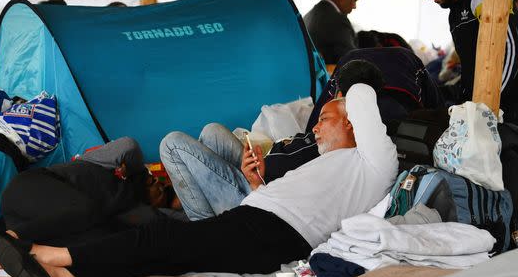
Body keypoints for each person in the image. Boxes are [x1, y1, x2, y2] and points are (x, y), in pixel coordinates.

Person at [0, 83, 398, 277]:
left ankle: (53, 255)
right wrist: (254, 185)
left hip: (276, 232)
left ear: (352, 123)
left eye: (326, 117)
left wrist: (343, 93)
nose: (317, 126)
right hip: (257, 219)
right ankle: (65, 273)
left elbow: (362, 91)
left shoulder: (373, 162)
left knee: (162, 237)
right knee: (170, 251)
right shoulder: (326, 165)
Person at [160, 60, 390, 220]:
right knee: (212, 131)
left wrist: (258, 183)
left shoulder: (348, 136)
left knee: (172, 144)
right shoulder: (339, 125)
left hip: (262, 194)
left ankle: (204, 226)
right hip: (260, 175)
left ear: (339, 94)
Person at [0, 137, 176, 266]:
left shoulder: (140, 213)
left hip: (39, 225)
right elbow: (128, 146)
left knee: (96, 244)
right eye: (153, 179)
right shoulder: (104, 166)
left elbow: (175, 225)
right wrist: (136, 171)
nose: (158, 182)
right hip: (29, 190)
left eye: (164, 191)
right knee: (85, 209)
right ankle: (6, 240)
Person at [404, 0, 518, 122]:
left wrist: (485, 107)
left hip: (500, 114)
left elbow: (511, 49)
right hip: (471, 110)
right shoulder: (455, 11)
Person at [303, 0, 364, 65]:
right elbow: (353, 62)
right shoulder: (338, 21)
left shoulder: (308, 16)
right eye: (354, 0)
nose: (354, 6)